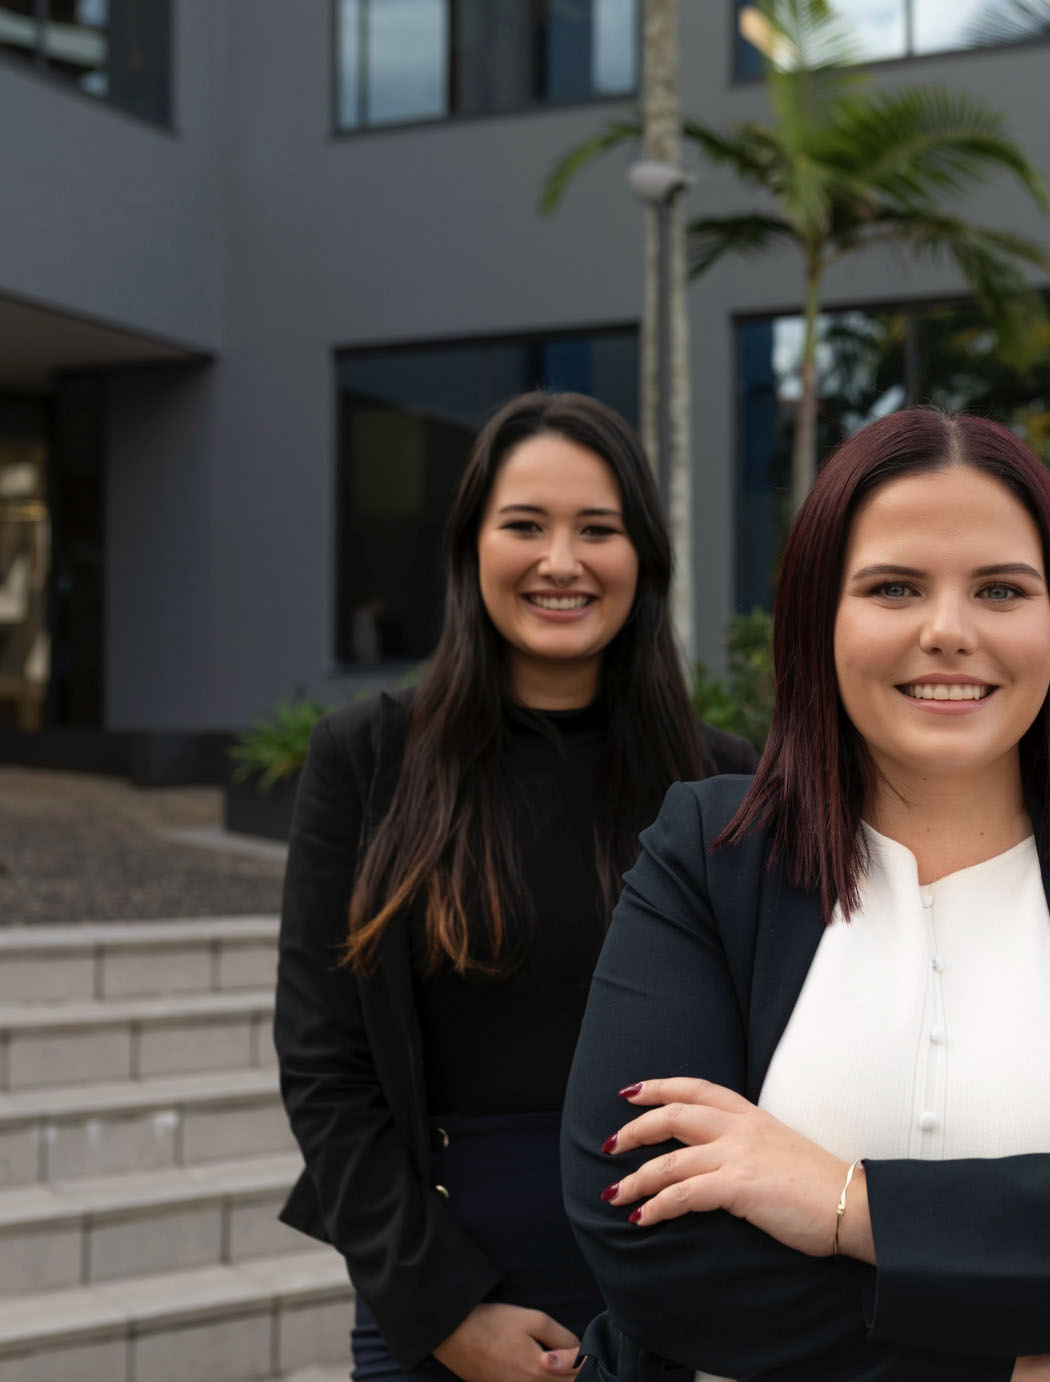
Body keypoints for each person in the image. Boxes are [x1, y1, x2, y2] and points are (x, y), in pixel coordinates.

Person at [558, 407, 1050, 1382]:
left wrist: (849, 1203)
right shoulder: (707, 856)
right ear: (819, 617)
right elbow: (645, 1237)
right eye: (894, 586)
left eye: (1001, 588)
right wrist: (1023, 1357)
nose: (948, 630)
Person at [275, 391, 757, 1381]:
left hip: (666, 1276)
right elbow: (327, 1069)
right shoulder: (368, 759)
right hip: (441, 1277)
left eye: (598, 529)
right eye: (525, 525)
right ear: (471, 547)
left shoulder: (724, 785)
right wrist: (448, 1308)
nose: (561, 561)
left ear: (644, 559)